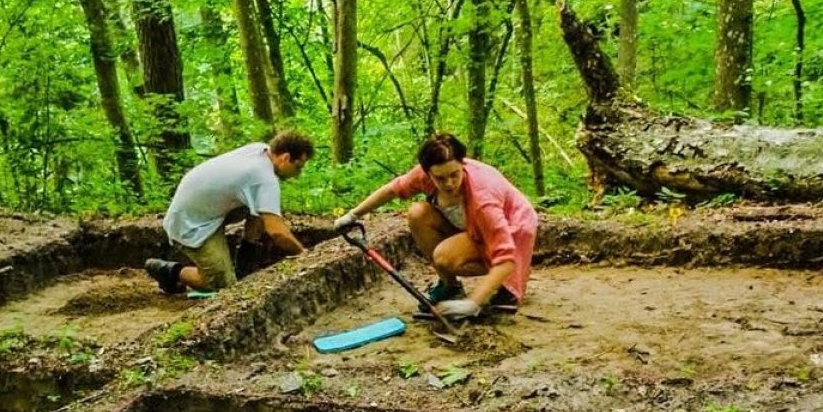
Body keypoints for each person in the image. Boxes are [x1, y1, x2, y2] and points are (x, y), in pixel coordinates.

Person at [334, 133, 537, 320]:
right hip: (470, 223)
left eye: (454, 174)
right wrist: (352, 215)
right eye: (440, 178)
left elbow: (506, 258)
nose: (449, 183)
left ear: (462, 164)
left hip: (514, 226)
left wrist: (473, 303)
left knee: (445, 256)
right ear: (428, 173)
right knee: (418, 213)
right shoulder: (423, 175)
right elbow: (392, 190)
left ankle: (504, 291)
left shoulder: (484, 199)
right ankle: (450, 286)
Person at [145, 131, 313, 294]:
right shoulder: (263, 177)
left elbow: (265, 213)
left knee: (263, 207)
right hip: (191, 223)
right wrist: (305, 256)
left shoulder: (259, 150)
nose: (298, 174)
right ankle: (169, 272)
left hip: (205, 209)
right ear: (285, 158)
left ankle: (244, 265)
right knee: (223, 285)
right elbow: (277, 232)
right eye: (298, 167)